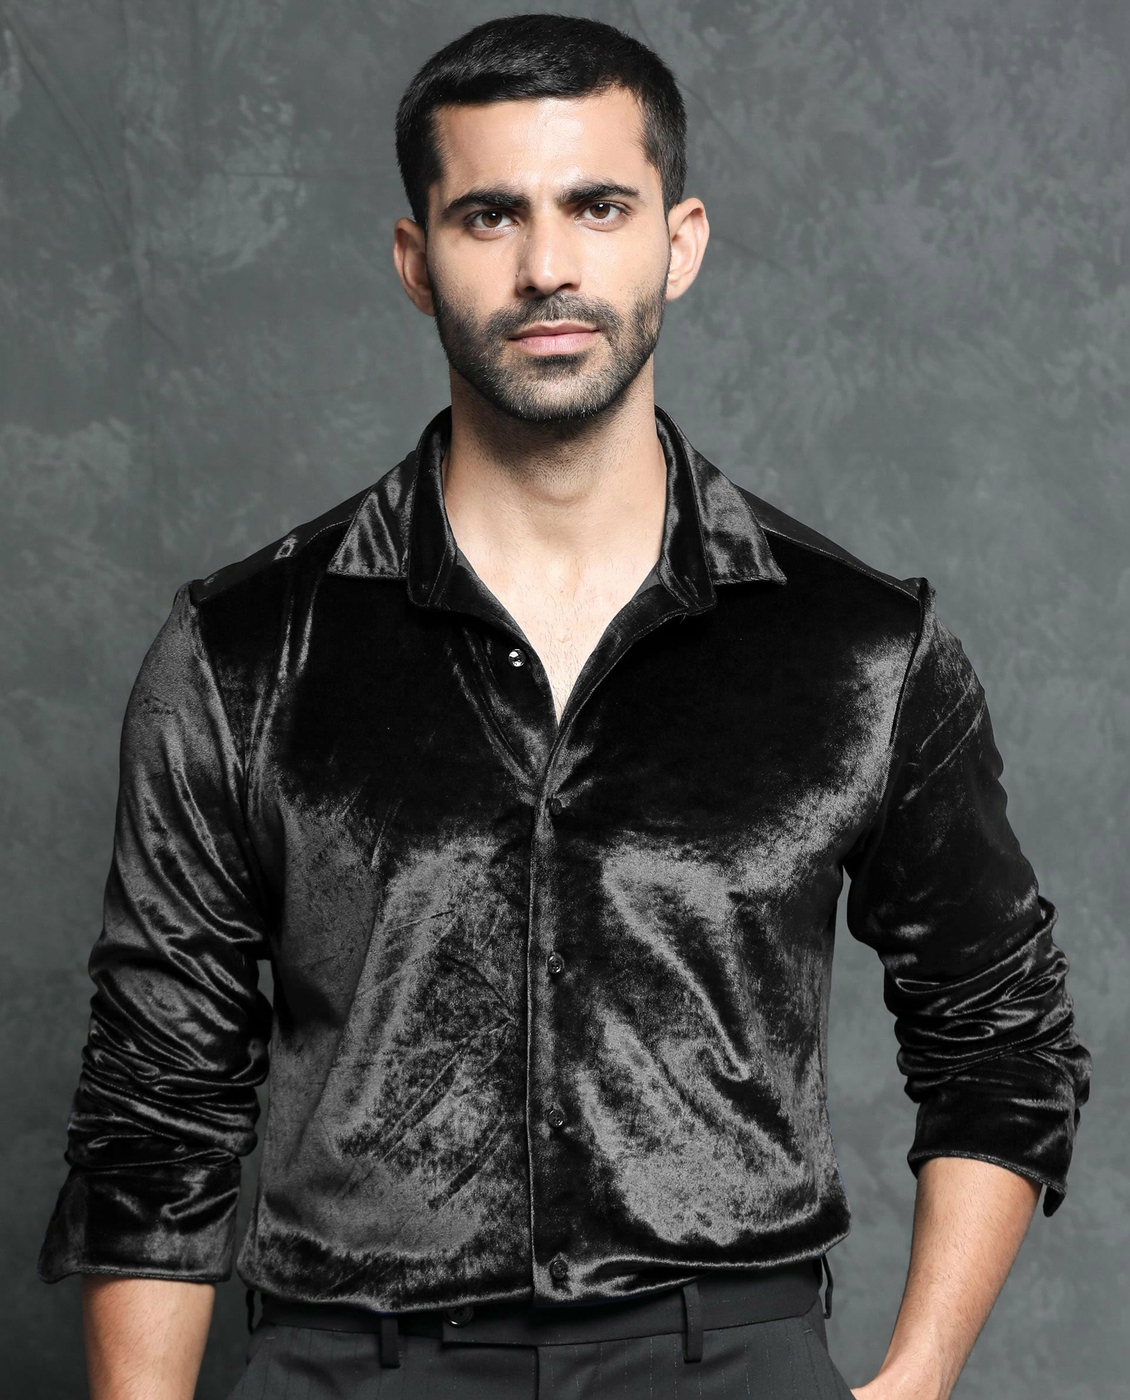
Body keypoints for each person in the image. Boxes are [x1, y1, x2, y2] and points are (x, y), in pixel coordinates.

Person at [38, 14, 1091, 1400]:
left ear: (679, 241)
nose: (547, 267)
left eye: (598, 206)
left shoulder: (859, 647)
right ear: (415, 259)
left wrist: (918, 1376)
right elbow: (158, 1100)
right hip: (353, 1364)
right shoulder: (242, 652)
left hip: (727, 1359)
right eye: (490, 214)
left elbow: (999, 1032)